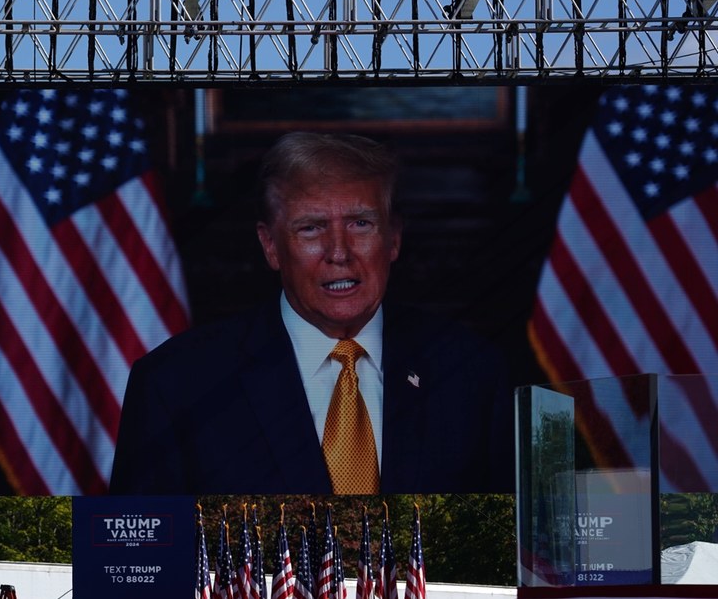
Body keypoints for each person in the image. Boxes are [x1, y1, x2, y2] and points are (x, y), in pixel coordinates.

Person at [109, 132, 513, 495]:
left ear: (393, 238)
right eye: (311, 228)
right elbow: (139, 566)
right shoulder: (176, 384)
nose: (339, 253)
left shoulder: (473, 374)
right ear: (270, 246)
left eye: (360, 223)